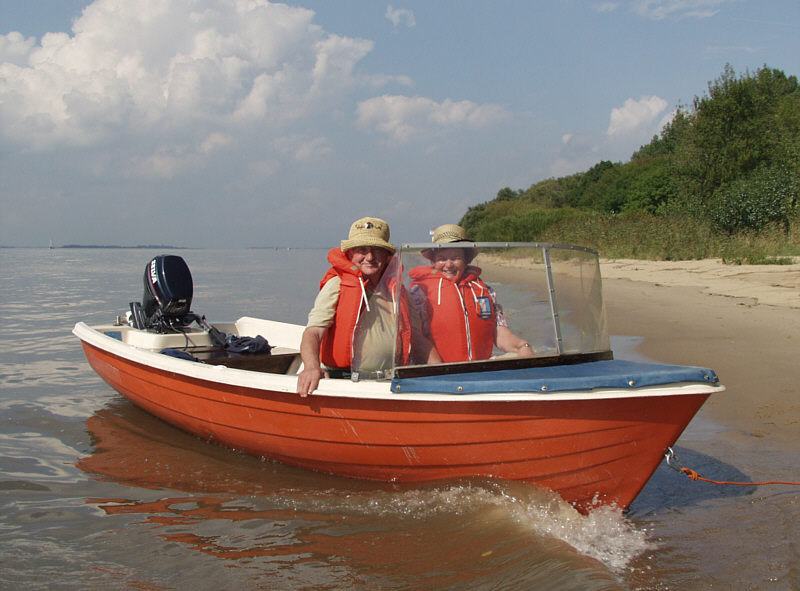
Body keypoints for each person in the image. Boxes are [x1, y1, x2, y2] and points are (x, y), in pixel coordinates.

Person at [296, 217, 439, 396]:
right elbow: (313, 332)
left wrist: (441, 373)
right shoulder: (337, 284)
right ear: (349, 254)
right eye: (362, 250)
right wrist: (311, 367)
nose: (369, 257)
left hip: (390, 381)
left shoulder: (399, 291)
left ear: (386, 255)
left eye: (376, 250)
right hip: (345, 380)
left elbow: (417, 340)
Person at [409, 224, 534, 363]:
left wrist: (522, 346)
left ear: (466, 259)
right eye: (442, 258)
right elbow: (415, 337)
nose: (449, 265)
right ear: (433, 261)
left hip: (479, 370)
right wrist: (438, 369)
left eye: (456, 258)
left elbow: (499, 331)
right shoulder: (419, 292)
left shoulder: (485, 290)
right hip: (438, 370)